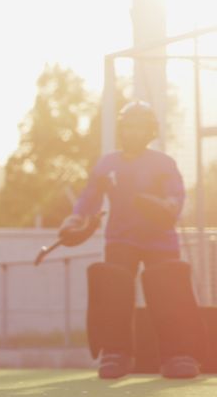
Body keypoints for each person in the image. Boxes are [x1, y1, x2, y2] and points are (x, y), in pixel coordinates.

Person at [67, 100, 202, 380]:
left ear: (150, 130)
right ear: (121, 129)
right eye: (129, 125)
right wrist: (76, 219)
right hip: (120, 239)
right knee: (114, 288)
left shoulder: (164, 163)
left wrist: (167, 205)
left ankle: (178, 355)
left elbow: (175, 198)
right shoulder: (107, 164)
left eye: (141, 126)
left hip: (160, 240)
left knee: (169, 291)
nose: (134, 131)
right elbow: (89, 198)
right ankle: (116, 353)